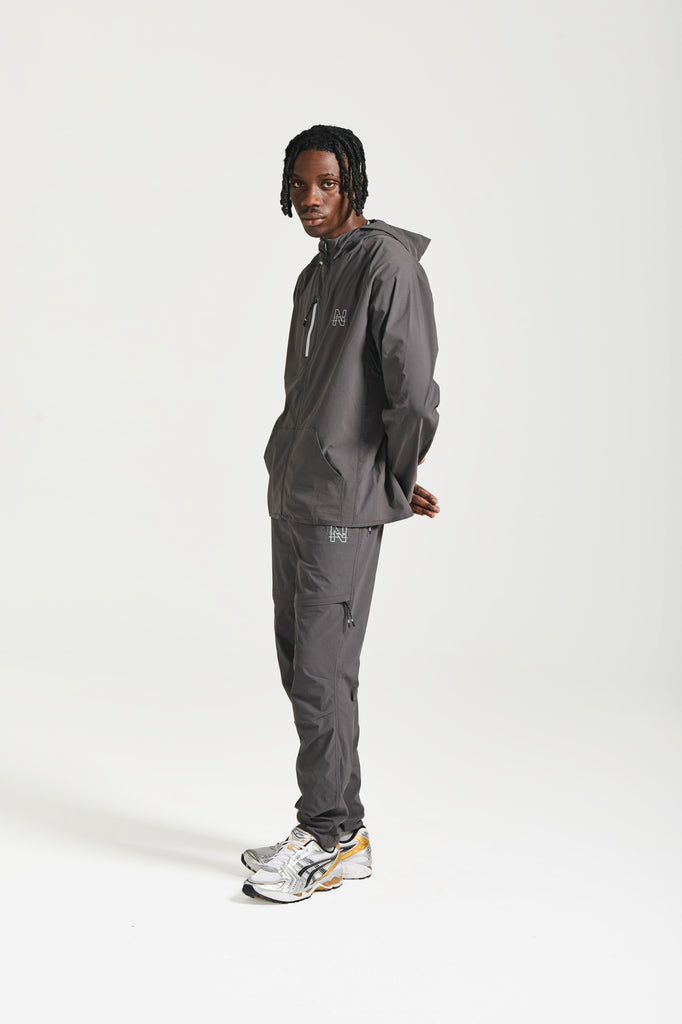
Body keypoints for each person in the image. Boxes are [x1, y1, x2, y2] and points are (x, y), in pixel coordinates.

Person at [241, 125, 441, 903]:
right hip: (295, 494)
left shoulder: (387, 265)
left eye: (325, 183)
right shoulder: (314, 274)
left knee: (323, 675)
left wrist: (394, 473)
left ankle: (324, 835)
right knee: (304, 671)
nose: (309, 198)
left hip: (337, 507)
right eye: (298, 185)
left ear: (354, 181)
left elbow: (412, 393)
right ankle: (341, 831)